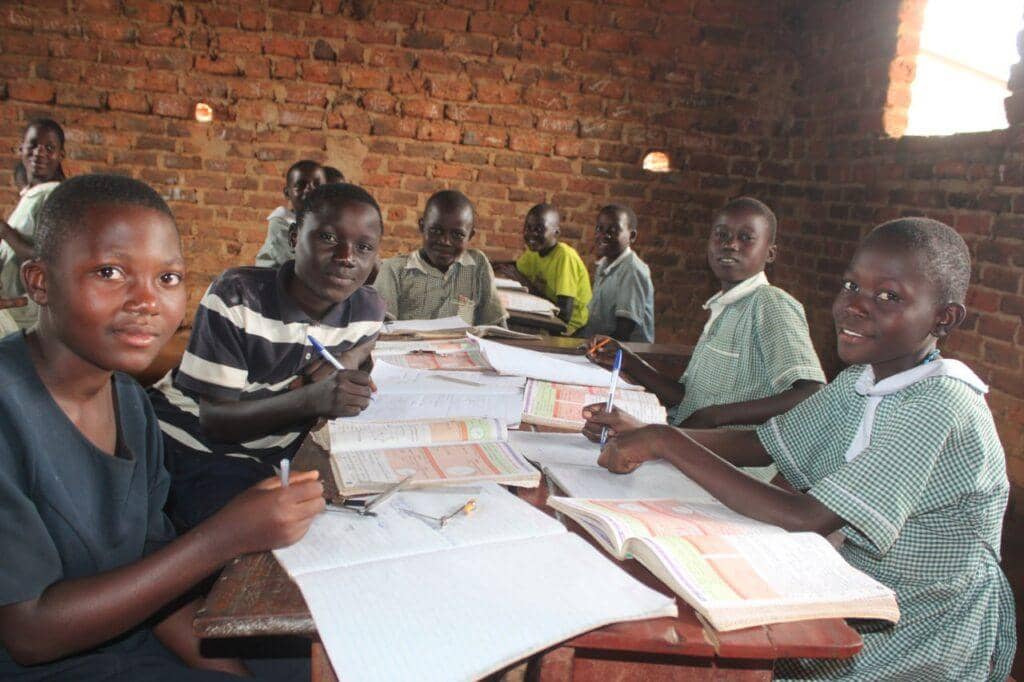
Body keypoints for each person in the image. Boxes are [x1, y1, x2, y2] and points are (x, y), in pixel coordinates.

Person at [584, 217, 1016, 681]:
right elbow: (760, 443)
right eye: (852, 285)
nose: (854, 306)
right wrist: (647, 430)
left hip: (921, 628)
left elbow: (808, 516)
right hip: (853, 589)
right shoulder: (863, 380)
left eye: (888, 296)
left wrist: (665, 440)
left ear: (944, 317)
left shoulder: (941, 402)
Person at [0, 174, 322, 680]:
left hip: (134, 642)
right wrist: (224, 537)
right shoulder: (9, 411)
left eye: (167, 278)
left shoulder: (129, 401)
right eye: (109, 272)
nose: (147, 302)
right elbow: (29, 632)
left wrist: (230, 671)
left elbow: (152, 567)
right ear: (39, 281)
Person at [150, 183, 385, 531]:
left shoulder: (369, 308)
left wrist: (351, 358)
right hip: (189, 439)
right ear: (293, 238)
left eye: (363, 247)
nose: (347, 257)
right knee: (257, 527)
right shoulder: (237, 295)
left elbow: (369, 340)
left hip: (274, 447)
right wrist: (311, 399)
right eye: (328, 239)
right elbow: (216, 420)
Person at [586, 197, 823, 478]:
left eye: (746, 238)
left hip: (731, 469)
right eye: (721, 235)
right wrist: (627, 360)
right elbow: (688, 399)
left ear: (770, 253)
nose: (730, 244)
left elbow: (811, 393)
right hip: (689, 450)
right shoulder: (723, 307)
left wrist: (716, 415)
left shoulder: (769, 304)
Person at [373, 190, 507, 326]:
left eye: (457, 234)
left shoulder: (477, 265)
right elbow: (380, 329)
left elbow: (496, 323)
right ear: (422, 226)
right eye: (436, 231)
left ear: (470, 236)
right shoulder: (395, 270)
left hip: (462, 346)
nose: (445, 241)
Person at [0, 118, 68, 333]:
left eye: (49, 148)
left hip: (25, 313)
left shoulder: (54, 196)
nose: (40, 152)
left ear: (61, 156)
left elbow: (49, 260)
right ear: (21, 149)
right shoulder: (32, 196)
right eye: (33, 145)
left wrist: (5, 231)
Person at [501, 203, 591, 334]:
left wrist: (527, 285)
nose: (531, 234)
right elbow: (515, 268)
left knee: (510, 327)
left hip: (571, 329)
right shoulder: (535, 251)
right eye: (528, 228)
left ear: (556, 233)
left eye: (539, 229)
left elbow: (564, 314)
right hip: (548, 316)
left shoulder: (565, 257)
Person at [579, 204, 655, 342]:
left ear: (632, 236)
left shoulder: (632, 270)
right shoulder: (604, 265)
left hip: (626, 355)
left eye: (613, 231)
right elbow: (594, 325)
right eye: (599, 229)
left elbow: (623, 333)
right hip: (600, 347)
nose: (603, 235)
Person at [254, 159, 325, 268]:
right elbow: (296, 263)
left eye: (317, 184)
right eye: (300, 185)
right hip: (271, 278)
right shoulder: (280, 221)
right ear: (287, 193)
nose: (310, 189)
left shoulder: (325, 222)